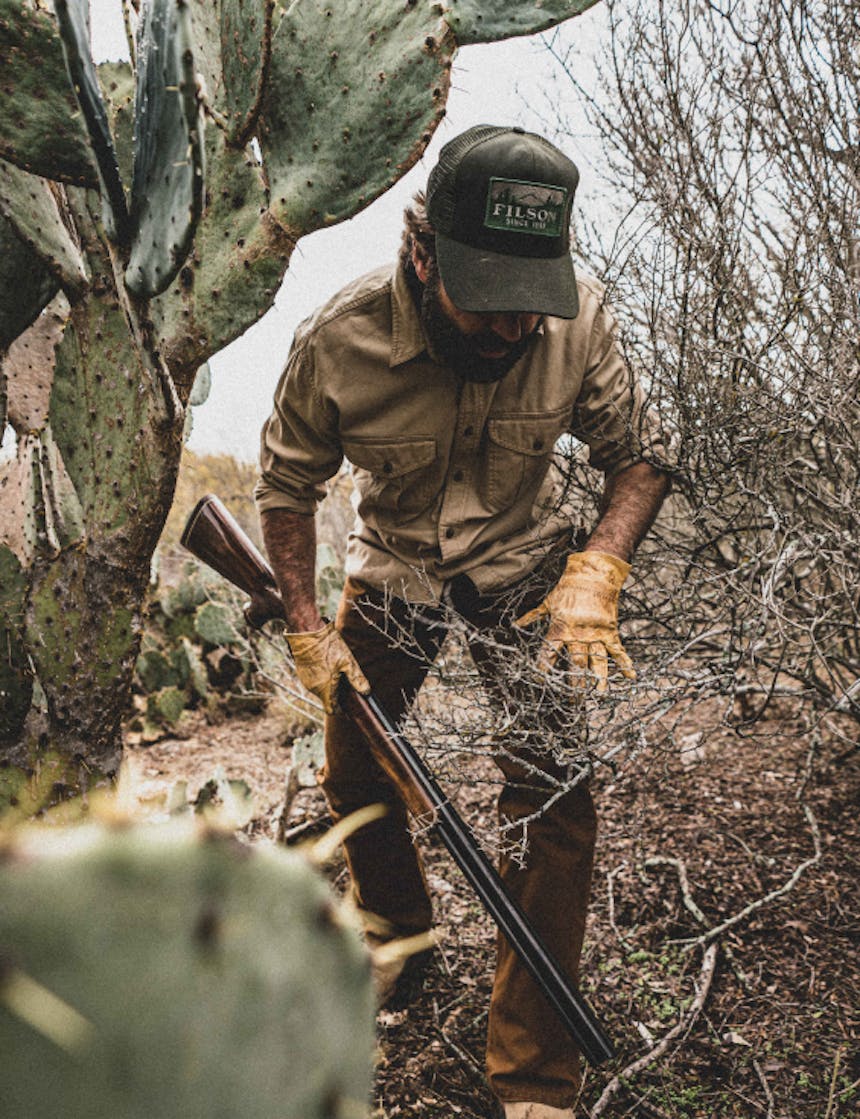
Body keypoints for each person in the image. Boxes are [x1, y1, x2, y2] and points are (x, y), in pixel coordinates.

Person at [254, 124, 671, 1119]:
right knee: (355, 773)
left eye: (528, 306)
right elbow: (284, 486)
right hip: (392, 572)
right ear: (422, 254)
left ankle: (530, 1076)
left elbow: (638, 458)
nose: (508, 330)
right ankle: (398, 936)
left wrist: (598, 567)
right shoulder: (340, 337)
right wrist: (309, 621)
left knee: (553, 802)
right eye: (486, 304)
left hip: (525, 573)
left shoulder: (577, 324)